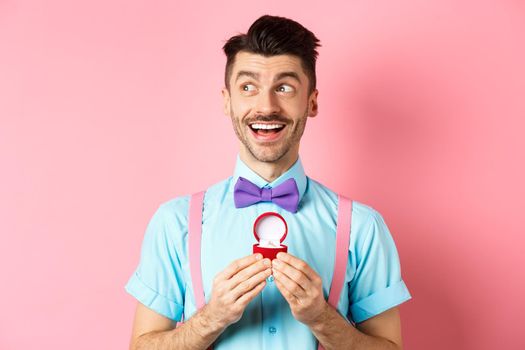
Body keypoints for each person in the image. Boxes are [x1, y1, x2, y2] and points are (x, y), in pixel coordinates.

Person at [125, 14, 411, 350]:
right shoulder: (175, 223)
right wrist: (211, 318)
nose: (266, 106)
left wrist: (322, 318)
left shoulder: (363, 226)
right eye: (248, 87)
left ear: (312, 101)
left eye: (284, 87)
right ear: (227, 99)